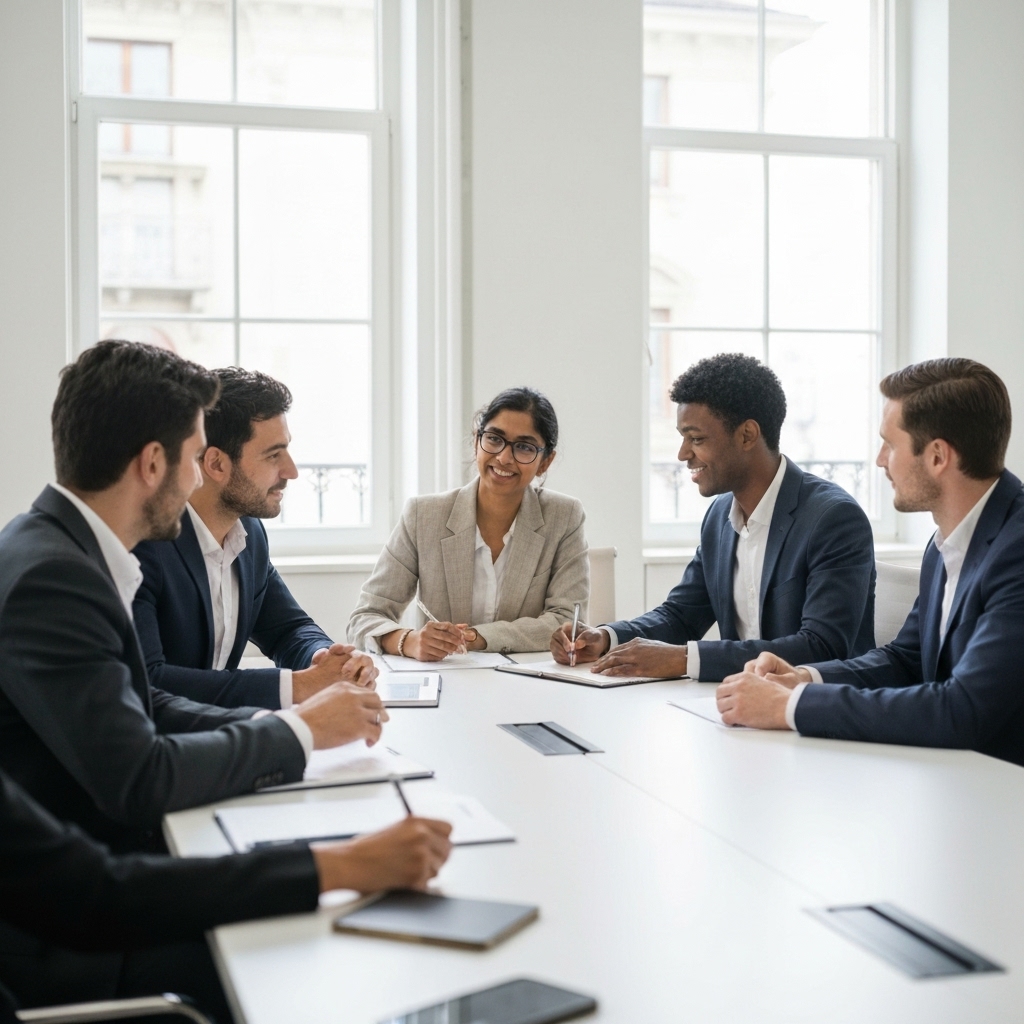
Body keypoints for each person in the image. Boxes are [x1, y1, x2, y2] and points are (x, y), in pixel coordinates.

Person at [0, 341, 389, 854]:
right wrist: (298, 728)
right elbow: (140, 776)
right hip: (87, 869)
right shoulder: (54, 577)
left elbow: (142, 701)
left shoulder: (58, 547)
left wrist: (291, 719)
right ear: (155, 463)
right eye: (192, 457)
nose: (194, 480)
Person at [715, 358, 1024, 766]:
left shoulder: (1016, 550)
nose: (880, 460)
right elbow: (904, 659)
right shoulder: (946, 542)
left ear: (937, 457)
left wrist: (789, 707)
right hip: (956, 779)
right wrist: (803, 678)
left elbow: (962, 709)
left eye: (890, 444)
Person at [0, 767, 451, 1020]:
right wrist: (337, 865)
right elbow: (95, 896)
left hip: (53, 928)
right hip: (46, 971)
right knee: (288, 978)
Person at [552, 353, 876, 680]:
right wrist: (607, 637)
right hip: (741, 707)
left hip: (817, 712)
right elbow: (682, 616)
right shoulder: (720, 516)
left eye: (696, 439)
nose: (682, 454)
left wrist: (685, 660)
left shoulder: (833, 518)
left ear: (747, 435)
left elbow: (822, 647)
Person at [134, 367, 373, 710]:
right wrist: (297, 686)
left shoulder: (249, 534)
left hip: (222, 742)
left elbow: (287, 629)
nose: (291, 471)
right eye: (273, 455)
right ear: (216, 464)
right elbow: (149, 680)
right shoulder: (144, 545)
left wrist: (325, 660)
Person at [348, 387, 589, 657]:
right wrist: (409, 641)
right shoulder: (423, 515)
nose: (504, 458)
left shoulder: (564, 516)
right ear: (477, 441)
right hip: (445, 682)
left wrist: (476, 637)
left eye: (524, 447)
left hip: (527, 684)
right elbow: (365, 618)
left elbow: (567, 623)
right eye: (495, 439)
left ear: (545, 462)